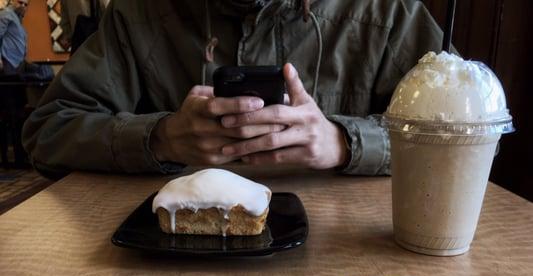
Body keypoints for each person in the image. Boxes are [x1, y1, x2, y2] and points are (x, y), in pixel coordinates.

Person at [22, 0, 444, 179]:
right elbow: (47, 132)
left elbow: (471, 132)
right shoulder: (138, 13)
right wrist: (161, 137)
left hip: (346, 260)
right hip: (164, 266)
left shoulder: (389, 12)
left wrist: (345, 143)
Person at [0, 0, 53, 80]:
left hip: (18, 62)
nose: (23, 6)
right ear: (12, 1)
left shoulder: (17, 18)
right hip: (9, 61)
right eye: (20, 2)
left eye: (25, 4)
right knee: (11, 89)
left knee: (47, 72)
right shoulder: (6, 14)